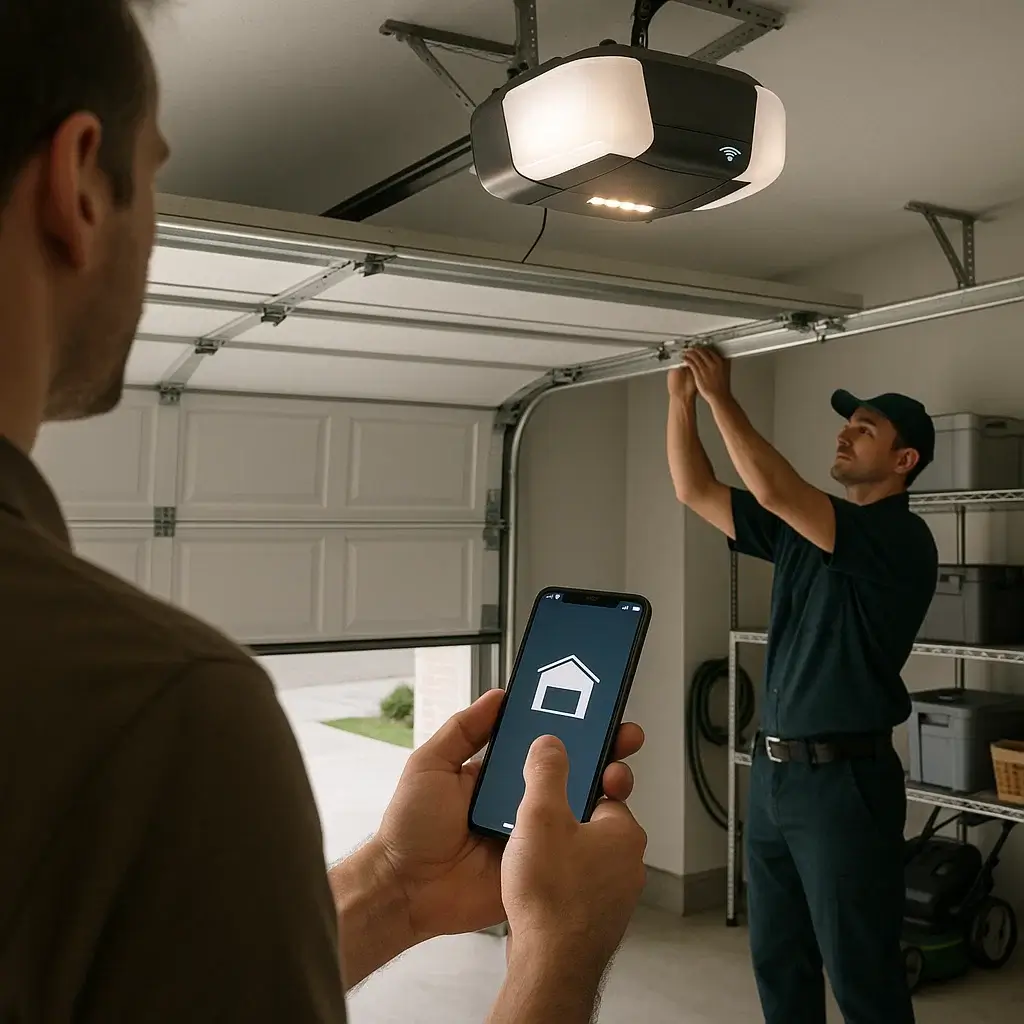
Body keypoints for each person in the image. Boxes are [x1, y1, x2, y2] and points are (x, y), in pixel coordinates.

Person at [0, 2, 649, 1020]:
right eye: (155, 175)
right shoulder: (158, 709)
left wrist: (394, 883)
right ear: (78, 182)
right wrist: (558, 950)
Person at [666, 347, 938, 1024]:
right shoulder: (799, 531)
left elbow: (776, 491)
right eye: (848, 424)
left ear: (905, 461)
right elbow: (695, 491)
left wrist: (723, 397)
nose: (844, 433)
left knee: (861, 971)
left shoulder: (902, 540)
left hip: (844, 786)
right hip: (775, 774)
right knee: (779, 960)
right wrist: (681, 404)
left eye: (865, 429)